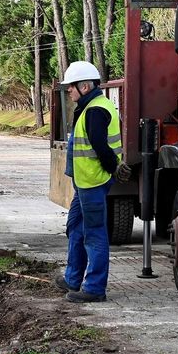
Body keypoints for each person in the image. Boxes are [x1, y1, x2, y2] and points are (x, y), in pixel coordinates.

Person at [54, 61, 131, 303]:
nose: (69, 90)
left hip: (93, 183)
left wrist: (113, 168)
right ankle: (72, 278)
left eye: (72, 86)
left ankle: (95, 288)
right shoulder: (90, 107)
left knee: (94, 235)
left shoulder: (95, 111)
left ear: (85, 86)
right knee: (75, 228)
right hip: (84, 183)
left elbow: (101, 148)